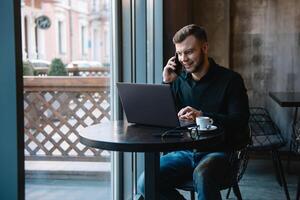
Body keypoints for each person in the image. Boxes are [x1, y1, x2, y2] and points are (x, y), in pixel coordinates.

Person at [137, 24, 250, 200]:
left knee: (203, 175)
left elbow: (240, 120)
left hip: (219, 152)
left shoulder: (231, 80)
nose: (183, 58)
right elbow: (163, 117)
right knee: (145, 182)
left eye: (189, 52)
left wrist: (203, 116)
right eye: (180, 53)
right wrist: (166, 83)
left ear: (204, 48)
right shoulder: (178, 81)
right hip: (183, 152)